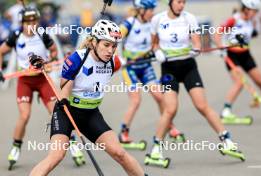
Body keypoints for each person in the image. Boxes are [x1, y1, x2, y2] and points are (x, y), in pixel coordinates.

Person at [30, 19, 148, 176]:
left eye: (114, 46)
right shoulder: (76, 59)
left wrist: (152, 54)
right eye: (106, 45)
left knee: (119, 153)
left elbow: (131, 62)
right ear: (94, 42)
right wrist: (63, 98)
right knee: (56, 156)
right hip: (67, 111)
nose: (110, 51)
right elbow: (64, 90)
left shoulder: (114, 62)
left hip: (91, 114)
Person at [146, 0, 244, 165]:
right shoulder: (158, 20)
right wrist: (157, 53)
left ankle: (227, 141)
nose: (182, 5)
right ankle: (156, 149)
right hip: (169, 70)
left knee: (202, 106)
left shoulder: (189, 18)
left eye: (184, 2)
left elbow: (197, 42)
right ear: (170, 3)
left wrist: (196, 49)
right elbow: (154, 44)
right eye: (178, 2)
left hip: (188, 66)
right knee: (170, 109)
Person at [0, 7, 85, 169]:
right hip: (25, 80)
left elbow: (53, 51)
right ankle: (16, 148)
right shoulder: (16, 36)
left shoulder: (42, 34)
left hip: (43, 78)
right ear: (22, 23)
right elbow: (1, 51)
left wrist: (48, 62)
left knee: (58, 112)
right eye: (28, 21)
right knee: (24, 115)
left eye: (34, 21)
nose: (31, 24)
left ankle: (73, 144)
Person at [118, 0, 184, 147]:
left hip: (145, 66)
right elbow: (113, 38)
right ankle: (123, 133)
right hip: (130, 68)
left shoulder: (153, 23)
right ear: (141, 10)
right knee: (135, 101)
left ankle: (169, 126)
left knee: (160, 97)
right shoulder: (129, 23)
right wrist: (118, 58)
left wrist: (159, 52)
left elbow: (158, 43)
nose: (152, 13)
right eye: (150, 10)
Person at [215, 0, 261, 120]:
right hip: (232, 55)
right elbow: (217, 33)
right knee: (239, 83)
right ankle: (226, 111)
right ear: (246, 9)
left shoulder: (251, 21)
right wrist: (220, 47)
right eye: (254, 11)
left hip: (246, 54)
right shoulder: (234, 20)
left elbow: (255, 34)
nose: (255, 14)